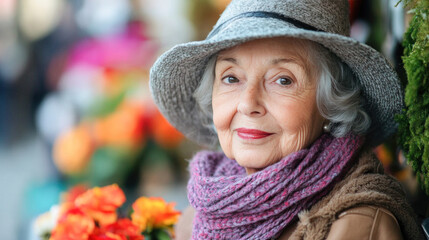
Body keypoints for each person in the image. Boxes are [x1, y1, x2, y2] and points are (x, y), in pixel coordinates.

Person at [149, 0, 424, 239]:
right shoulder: (197, 215)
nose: (248, 104)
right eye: (231, 78)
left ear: (330, 103)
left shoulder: (356, 226)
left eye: (283, 80)